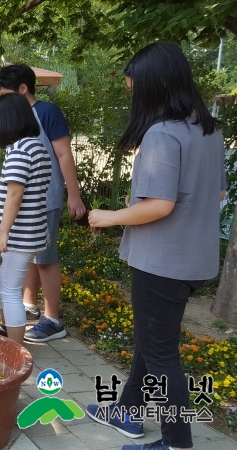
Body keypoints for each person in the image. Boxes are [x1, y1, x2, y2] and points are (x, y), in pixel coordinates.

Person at [85, 42, 225, 450]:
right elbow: (215, 195)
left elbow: (160, 205)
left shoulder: (162, 134)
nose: (133, 99)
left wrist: (108, 217)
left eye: (134, 90)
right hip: (193, 261)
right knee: (154, 342)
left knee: (162, 356)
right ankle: (125, 412)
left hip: (161, 262)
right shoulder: (209, 130)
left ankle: (176, 442)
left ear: (154, 87)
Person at [0, 64, 86, 342]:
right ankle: (27, 308)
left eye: (5, 96)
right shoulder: (23, 132)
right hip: (27, 208)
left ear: (23, 89)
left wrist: (73, 193)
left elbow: (64, 155)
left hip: (42, 201)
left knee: (43, 258)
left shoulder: (45, 114)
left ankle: (52, 318)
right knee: (27, 259)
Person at [0, 93, 52, 345]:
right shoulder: (35, 146)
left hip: (18, 236)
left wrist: (3, 233)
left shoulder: (21, 150)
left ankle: (14, 349)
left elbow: (15, 194)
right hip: (27, 233)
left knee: (10, 290)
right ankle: (5, 329)